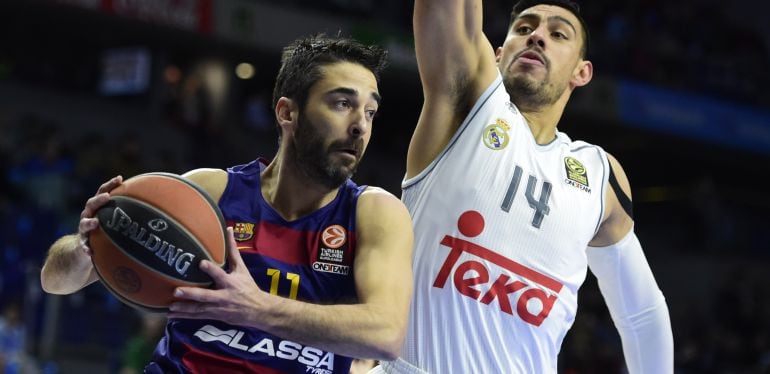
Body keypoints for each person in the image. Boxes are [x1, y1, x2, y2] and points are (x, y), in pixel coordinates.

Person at [40, 34, 414, 374]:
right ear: (287, 112)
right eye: (343, 103)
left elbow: (385, 335)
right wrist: (87, 246)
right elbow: (55, 282)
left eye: (369, 112)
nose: (360, 126)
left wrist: (256, 308)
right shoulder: (211, 192)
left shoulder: (373, 213)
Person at [376, 0, 674, 373]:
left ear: (581, 73)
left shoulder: (601, 176)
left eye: (558, 34)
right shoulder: (466, 103)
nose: (536, 36)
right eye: (523, 28)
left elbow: (642, 314)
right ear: (498, 54)